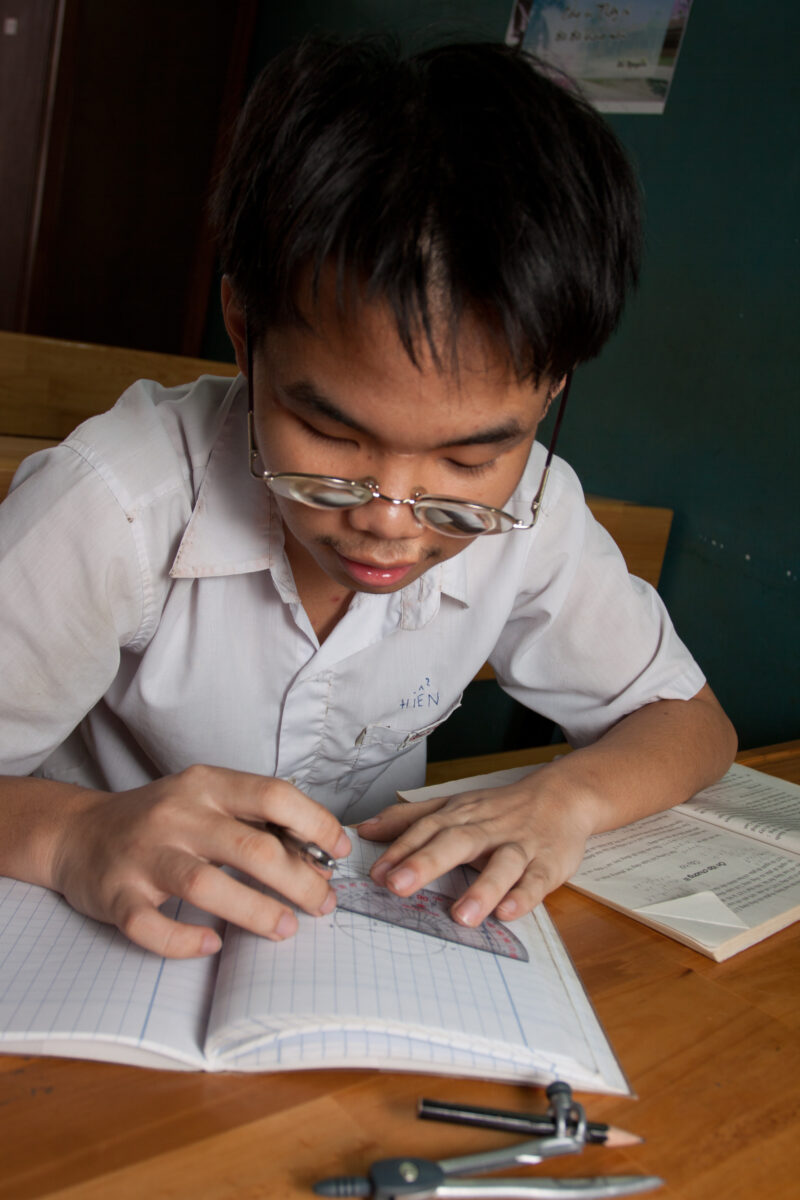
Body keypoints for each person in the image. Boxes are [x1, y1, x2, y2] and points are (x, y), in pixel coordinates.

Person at [0, 35, 736, 959]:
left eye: (468, 462)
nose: (389, 519)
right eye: (336, 438)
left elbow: (694, 726)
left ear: (551, 390)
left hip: (354, 951)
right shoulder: (115, 505)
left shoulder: (536, 513)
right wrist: (73, 835)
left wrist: (565, 799)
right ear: (245, 331)